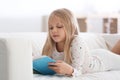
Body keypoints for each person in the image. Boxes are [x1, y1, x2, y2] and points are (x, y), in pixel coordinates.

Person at [42, 8, 120, 77]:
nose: (53, 31)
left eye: (59, 26)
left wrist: (69, 70)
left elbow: (78, 72)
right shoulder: (50, 44)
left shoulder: (76, 41)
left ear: (71, 27)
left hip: (102, 60)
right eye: (51, 28)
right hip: (90, 55)